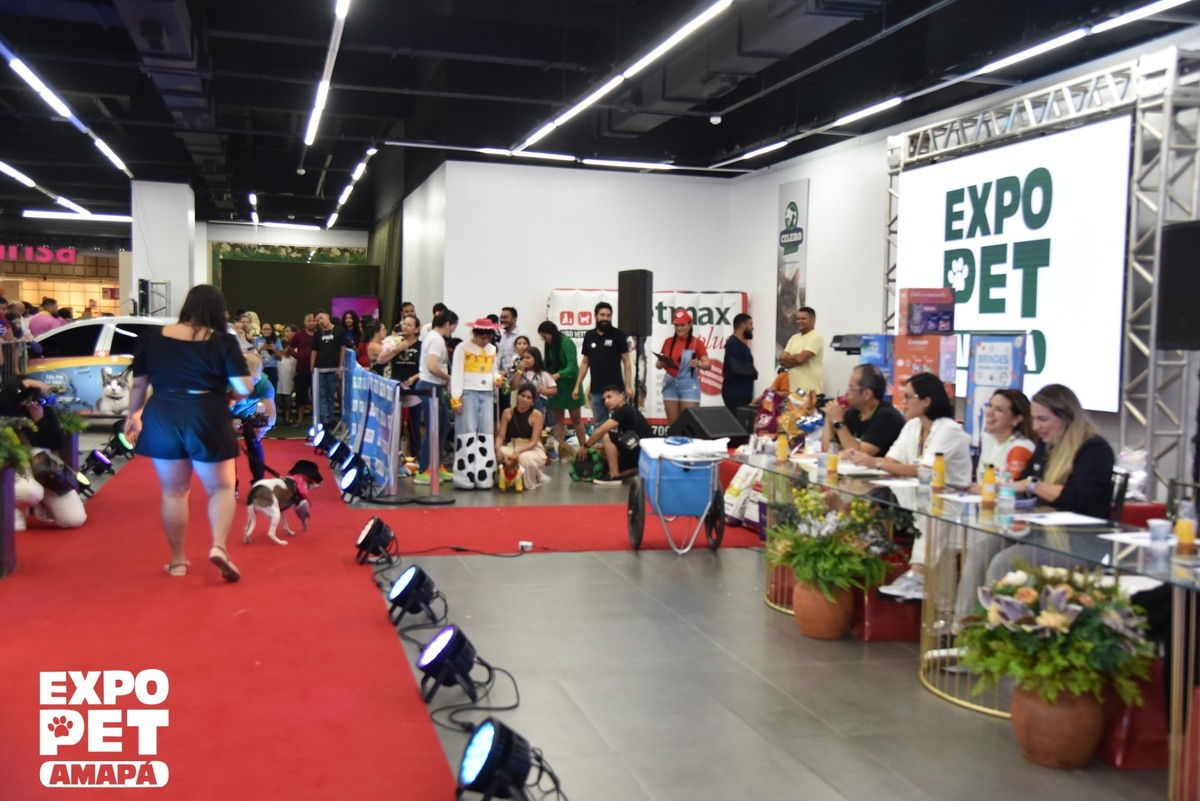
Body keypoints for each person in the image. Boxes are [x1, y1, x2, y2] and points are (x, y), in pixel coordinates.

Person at [123, 284, 254, 582]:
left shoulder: (152, 337)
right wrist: (231, 396)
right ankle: (219, 547)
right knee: (221, 489)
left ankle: (178, 562)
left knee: (174, 492)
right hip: (207, 413)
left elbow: (139, 384)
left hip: (163, 414)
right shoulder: (222, 341)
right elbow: (245, 386)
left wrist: (133, 417)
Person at [853, 372, 971, 600]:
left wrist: (877, 463)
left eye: (908, 396)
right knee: (871, 501)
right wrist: (876, 462)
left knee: (931, 514)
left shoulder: (949, 430)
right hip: (915, 495)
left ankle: (917, 577)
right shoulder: (912, 426)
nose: (903, 402)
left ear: (926, 401)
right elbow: (892, 460)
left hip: (950, 500)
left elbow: (923, 470)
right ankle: (864, 557)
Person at [985, 384, 1117, 582]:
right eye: (1034, 419)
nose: (1036, 427)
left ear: (1067, 417)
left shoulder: (1094, 449)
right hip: (1041, 532)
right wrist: (1005, 488)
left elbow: (1075, 498)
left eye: (1043, 419)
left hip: (1083, 542)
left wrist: (1032, 485)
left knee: (1004, 562)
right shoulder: (1045, 446)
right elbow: (1023, 481)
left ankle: (997, 603)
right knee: (982, 550)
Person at [952, 388, 1037, 622]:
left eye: (998, 409)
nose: (989, 412)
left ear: (1016, 419)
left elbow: (1011, 488)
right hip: (985, 515)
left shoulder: (1021, 447)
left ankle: (976, 621)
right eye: (990, 406)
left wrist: (987, 488)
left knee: (981, 557)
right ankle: (963, 621)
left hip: (1012, 523)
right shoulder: (989, 440)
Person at [0, 376, 87, 531]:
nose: (32, 402)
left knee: (75, 519)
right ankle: (14, 510)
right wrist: (25, 383)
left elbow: (57, 443)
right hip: (17, 468)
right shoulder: (8, 411)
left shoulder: (45, 411)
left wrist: (40, 420)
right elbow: (5, 401)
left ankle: (44, 505)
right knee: (31, 492)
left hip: (44, 467)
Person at [449, 318, 502, 490]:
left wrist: (497, 379)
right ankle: (464, 477)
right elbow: (456, 374)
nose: (485, 341)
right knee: (467, 433)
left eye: (488, 338)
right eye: (482, 337)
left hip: (487, 394)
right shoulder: (462, 348)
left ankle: (484, 477)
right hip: (468, 393)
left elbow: (493, 370)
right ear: (475, 334)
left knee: (487, 433)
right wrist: (456, 398)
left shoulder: (492, 349)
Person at [822, 364, 905, 457]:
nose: (846, 393)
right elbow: (829, 450)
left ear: (867, 394)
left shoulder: (887, 417)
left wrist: (838, 421)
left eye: (851, 388)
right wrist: (829, 417)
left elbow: (858, 454)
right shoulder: (854, 412)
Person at [413, 309, 458, 484]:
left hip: (435, 387)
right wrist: (449, 378)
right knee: (434, 429)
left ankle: (436, 465)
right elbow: (432, 366)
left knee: (443, 426)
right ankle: (425, 469)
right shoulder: (436, 340)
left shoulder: (432, 337)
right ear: (447, 324)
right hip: (430, 387)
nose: (453, 330)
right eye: (453, 326)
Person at [573, 301, 632, 427]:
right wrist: (577, 386)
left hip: (616, 389)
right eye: (602, 315)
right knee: (600, 424)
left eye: (608, 315)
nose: (605, 318)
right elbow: (585, 363)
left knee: (621, 423)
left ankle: (619, 441)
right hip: (596, 390)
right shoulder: (589, 336)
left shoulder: (618, 335)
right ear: (595, 316)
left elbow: (626, 361)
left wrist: (628, 386)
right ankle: (603, 441)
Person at [582, 386, 652, 485]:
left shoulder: (623, 410)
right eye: (604, 399)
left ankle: (614, 475)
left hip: (640, 451)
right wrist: (603, 446)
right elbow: (626, 438)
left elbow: (602, 430)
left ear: (621, 397)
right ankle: (637, 469)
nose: (606, 401)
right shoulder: (627, 410)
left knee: (607, 435)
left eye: (609, 397)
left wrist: (585, 446)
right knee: (606, 469)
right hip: (642, 453)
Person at [655, 308, 711, 426]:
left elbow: (708, 364)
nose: (679, 328)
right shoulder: (668, 341)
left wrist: (698, 364)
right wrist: (661, 363)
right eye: (676, 325)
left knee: (688, 424)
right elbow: (658, 364)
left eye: (682, 325)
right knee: (674, 425)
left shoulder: (697, 343)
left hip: (689, 385)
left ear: (690, 325)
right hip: (670, 384)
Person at [538, 320, 586, 454]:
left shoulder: (566, 343)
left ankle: (584, 448)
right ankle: (560, 449)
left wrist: (558, 375)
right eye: (542, 337)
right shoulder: (549, 345)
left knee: (576, 418)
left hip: (570, 385)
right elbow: (546, 363)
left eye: (545, 337)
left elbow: (572, 367)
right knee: (558, 419)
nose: (544, 340)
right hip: (556, 386)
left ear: (551, 333)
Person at [229, 352, 276, 484]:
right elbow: (213, 410)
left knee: (254, 441)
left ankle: (258, 482)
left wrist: (260, 424)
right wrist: (229, 421)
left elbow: (266, 408)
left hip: (250, 411)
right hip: (226, 410)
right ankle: (231, 484)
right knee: (227, 444)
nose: (252, 383)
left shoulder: (265, 384)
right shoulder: (222, 381)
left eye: (254, 379)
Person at [496, 382, 549, 491]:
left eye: (529, 397)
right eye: (523, 395)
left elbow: (534, 441)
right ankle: (502, 480)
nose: (525, 399)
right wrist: (497, 449)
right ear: (517, 396)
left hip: (531, 448)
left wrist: (520, 451)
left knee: (523, 458)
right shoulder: (507, 413)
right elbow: (500, 436)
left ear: (533, 401)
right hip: (512, 446)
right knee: (496, 454)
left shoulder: (537, 415)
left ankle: (528, 481)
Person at [310, 310, 344, 428]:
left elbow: (343, 349)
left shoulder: (339, 331)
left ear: (327, 316)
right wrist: (312, 367)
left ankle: (330, 418)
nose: (319, 321)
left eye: (321, 318)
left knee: (330, 394)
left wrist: (340, 367)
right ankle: (325, 419)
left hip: (333, 368)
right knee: (321, 394)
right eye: (317, 320)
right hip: (320, 369)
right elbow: (314, 350)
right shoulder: (317, 334)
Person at [779, 306, 824, 395]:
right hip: (794, 391)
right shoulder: (794, 338)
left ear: (813, 320)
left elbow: (800, 359)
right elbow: (782, 360)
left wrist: (793, 358)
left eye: (803, 319)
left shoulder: (816, 336)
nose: (799, 321)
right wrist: (796, 358)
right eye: (798, 319)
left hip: (810, 392)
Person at [722, 312, 758, 413]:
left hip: (741, 394)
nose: (752, 328)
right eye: (750, 324)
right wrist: (754, 372)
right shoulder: (733, 344)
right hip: (735, 395)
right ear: (742, 325)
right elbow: (739, 368)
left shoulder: (739, 345)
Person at [290, 313, 317, 425]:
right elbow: (290, 348)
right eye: (309, 320)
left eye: (313, 320)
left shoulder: (319, 335)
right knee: (301, 395)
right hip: (302, 370)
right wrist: (299, 357)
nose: (311, 322)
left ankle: (316, 419)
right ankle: (300, 419)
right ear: (304, 322)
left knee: (316, 395)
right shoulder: (298, 335)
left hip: (316, 370)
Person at [277, 325, 298, 425]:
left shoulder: (297, 348)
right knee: (277, 399)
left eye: (288, 331)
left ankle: (287, 418)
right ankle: (275, 420)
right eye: (285, 331)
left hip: (291, 378)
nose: (286, 333)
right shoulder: (279, 346)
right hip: (279, 379)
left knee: (288, 399)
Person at [254, 322, 282, 389]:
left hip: (272, 368)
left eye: (268, 329)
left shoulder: (277, 340)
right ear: (261, 330)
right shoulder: (257, 340)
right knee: (260, 390)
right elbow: (253, 355)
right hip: (259, 368)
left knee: (272, 389)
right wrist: (261, 348)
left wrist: (274, 350)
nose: (266, 331)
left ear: (272, 330)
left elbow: (280, 357)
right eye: (264, 329)